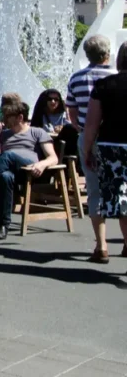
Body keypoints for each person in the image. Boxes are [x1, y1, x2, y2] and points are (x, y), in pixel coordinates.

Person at [0, 102, 59, 239]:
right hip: (11, 171)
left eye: (7, 116)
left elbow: (53, 158)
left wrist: (42, 165)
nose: (4, 119)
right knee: (5, 177)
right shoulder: (4, 134)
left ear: (20, 117)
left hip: (30, 170)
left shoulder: (37, 132)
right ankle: (3, 225)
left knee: (9, 154)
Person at [66, 34, 116, 262]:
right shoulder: (116, 77)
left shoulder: (76, 78)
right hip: (116, 139)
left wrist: (81, 129)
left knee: (94, 191)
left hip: (88, 138)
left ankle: (101, 245)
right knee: (122, 189)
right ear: (107, 53)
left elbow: (72, 112)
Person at [81, 41, 127, 263]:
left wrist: (87, 149)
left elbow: (91, 124)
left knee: (122, 200)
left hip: (112, 148)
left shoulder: (104, 85)